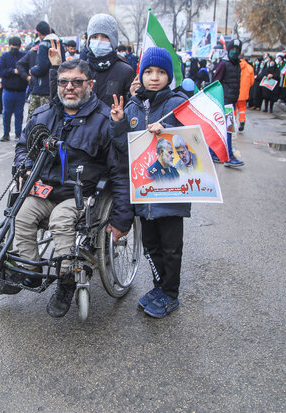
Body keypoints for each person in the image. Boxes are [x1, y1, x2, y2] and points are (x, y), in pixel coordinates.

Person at [13, 59, 133, 318]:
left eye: (77, 82)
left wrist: (123, 217)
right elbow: (23, 147)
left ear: (90, 85)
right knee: (20, 214)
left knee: (60, 220)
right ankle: (31, 271)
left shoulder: (104, 120)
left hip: (82, 195)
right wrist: (22, 169)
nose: (70, 87)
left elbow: (119, 171)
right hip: (46, 189)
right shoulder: (43, 115)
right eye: (64, 82)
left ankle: (67, 279)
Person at [109, 46, 189, 318]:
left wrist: (167, 132)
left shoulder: (178, 104)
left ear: (169, 76)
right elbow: (124, 149)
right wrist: (119, 124)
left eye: (161, 72)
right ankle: (159, 288)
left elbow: (191, 145)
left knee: (171, 248)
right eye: (149, 71)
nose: (154, 77)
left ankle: (171, 293)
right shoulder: (131, 106)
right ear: (141, 74)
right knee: (151, 246)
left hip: (171, 194)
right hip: (144, 195)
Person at [83, 13, 135, 108]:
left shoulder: (125, 71)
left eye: (105, 37)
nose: (99, 41)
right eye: (95, 37)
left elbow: (131, 107)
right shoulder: (81, 68)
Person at [212, 39, 244, 167]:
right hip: (224, 102)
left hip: (232, 101)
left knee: (225, 129)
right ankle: (229, 156)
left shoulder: (237, 65)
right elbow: (215, 83)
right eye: (233, 49)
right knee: (228, 129)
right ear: (228, 50)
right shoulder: (223, 64)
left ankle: (214, 153)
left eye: (237, 50)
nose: (235, 52)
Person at [0, 36, 27, 142]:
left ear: (20, 46)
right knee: (6, 113)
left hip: (21, 90)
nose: (14, 48)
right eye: (12, 46)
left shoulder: (24, 56)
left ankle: (18, 134)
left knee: (19, 113)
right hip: (8, 90)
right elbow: (1, 71)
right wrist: (12, 71)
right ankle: (6, 133)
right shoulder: (5, 56)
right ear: (9, 46)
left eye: (16, 46)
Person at [27, 21, 53, 119]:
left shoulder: (43, 45)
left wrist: (32, 70)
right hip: (54, 87)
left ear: (38, 33)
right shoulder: (58, 44)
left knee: (35, 119)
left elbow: (41, 68)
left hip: (42, 89)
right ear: (50, 31)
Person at [237, 57, 254, 131]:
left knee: (233, 109)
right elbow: (252, 81)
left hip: (234, 91)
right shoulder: (249, 68)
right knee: (242, 108)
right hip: (244, 93)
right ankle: (242, 120)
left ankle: (232, 124)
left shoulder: (235, 66)